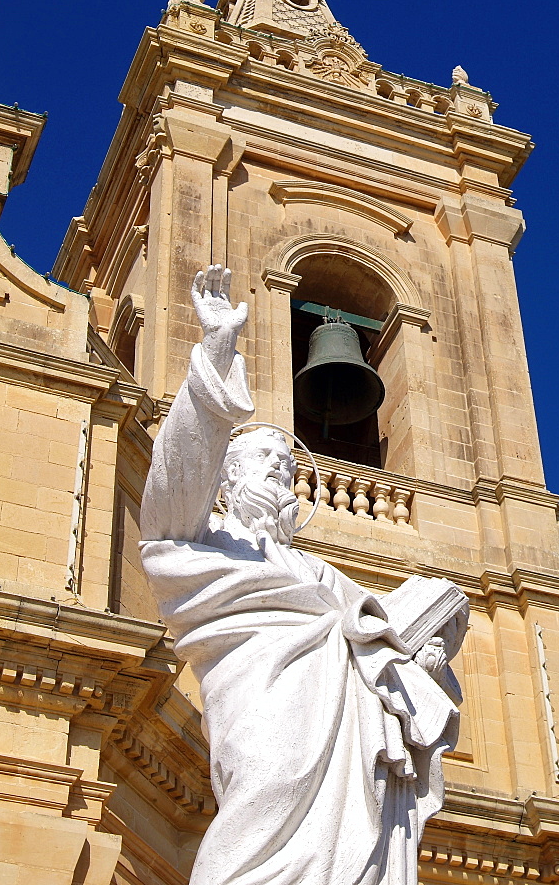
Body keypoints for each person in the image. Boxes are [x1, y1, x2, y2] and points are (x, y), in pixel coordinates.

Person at [140, 264, 468, 885]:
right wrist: (214, 357)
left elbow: (382, 653)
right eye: (264, 462)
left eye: (287, 469)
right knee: (259, 814)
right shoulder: (203, 547)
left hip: (349, 751)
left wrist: (422, 657)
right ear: (227, 478)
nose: (281, 477)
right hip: (262, 719)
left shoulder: (323, 574)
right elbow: (173, 489)